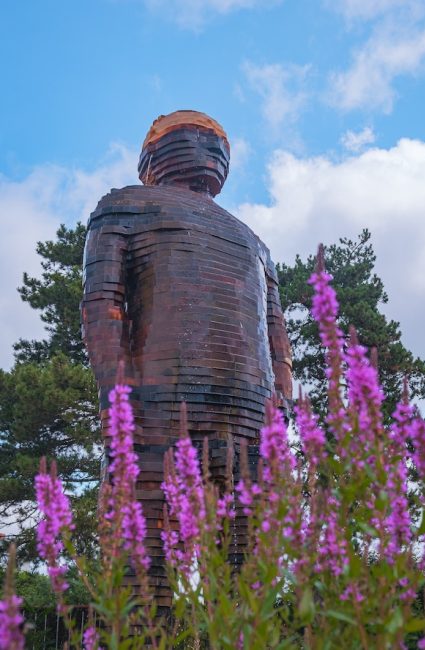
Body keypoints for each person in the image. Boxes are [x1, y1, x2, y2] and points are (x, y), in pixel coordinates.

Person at [82, 110, 292, 612]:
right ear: (151, 156)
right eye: (194, 138)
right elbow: (102, 303)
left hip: (251, 418)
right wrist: (119, 394)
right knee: (145, 565)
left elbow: (276, 329)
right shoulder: (123, 208)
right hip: (157, 408)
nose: (214, 150)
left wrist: (282, 396)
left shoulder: (256, 243)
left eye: (220, 143)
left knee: (248, 575)